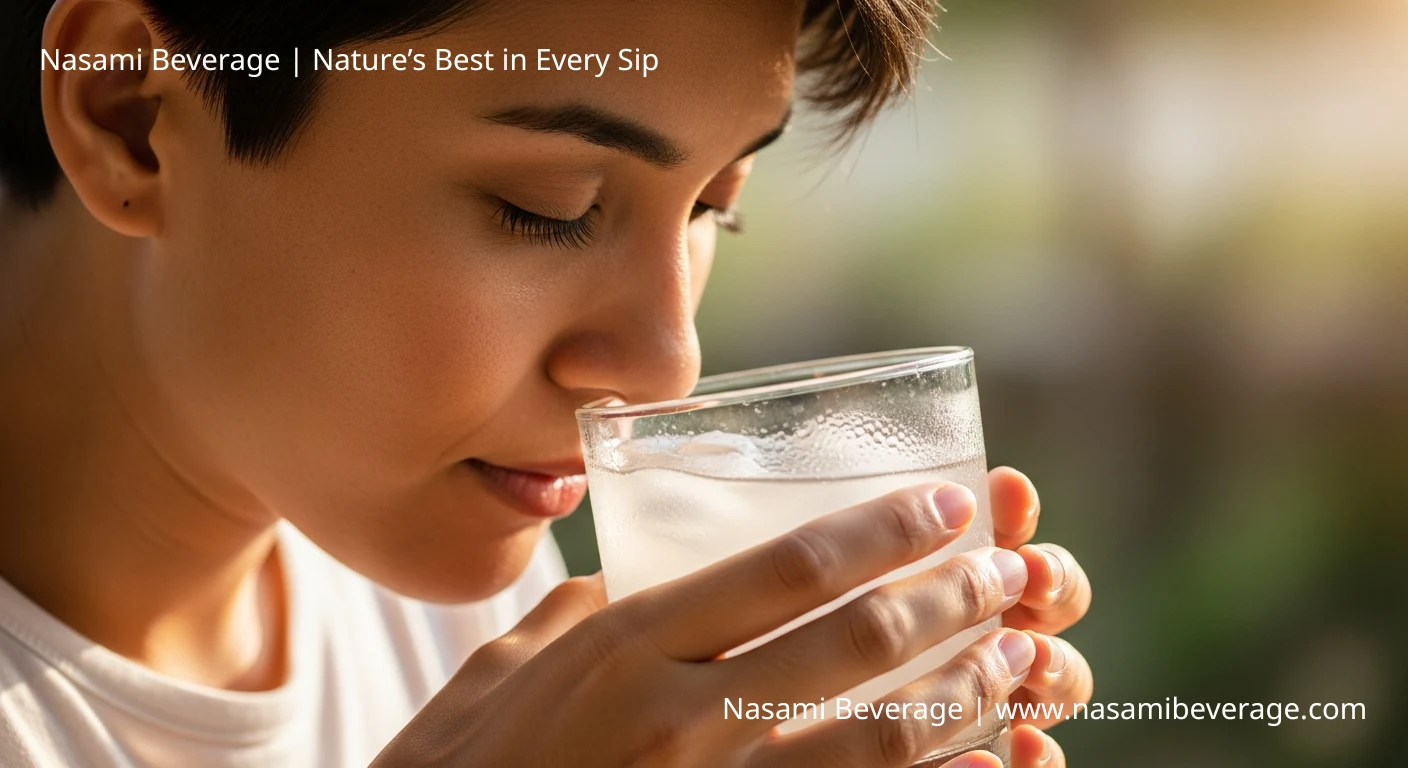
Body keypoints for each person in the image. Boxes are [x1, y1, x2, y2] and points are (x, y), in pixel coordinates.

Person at [0, 1, 1094, 765]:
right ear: (131, 114)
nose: (669, 364)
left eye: (716, 202)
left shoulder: (476, 621)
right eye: (550, 206)